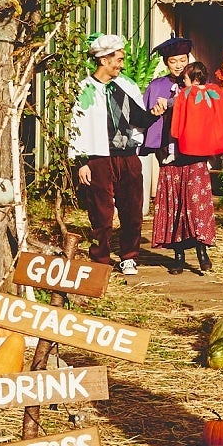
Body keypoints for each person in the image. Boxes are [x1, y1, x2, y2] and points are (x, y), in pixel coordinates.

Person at [143, 37, 223, 273]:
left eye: (182, 60)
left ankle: (202, 251)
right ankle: (178, 256)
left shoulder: (202, 87)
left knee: (197, 203)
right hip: (169, 154)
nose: (178, 65)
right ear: (166, 63)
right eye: (173, 61)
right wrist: (155, 112)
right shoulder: (157, 87)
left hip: (195, 155)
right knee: (174, 204)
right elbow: (146, 117)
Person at [67, 33, 150, 273]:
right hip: (99, 157)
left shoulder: (126, 86)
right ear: (104, 60)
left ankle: (129, 257)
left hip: (127, 155)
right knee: (101, 212)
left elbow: (141, 118)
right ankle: (100, 260)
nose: (121, 65)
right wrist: (82, 161)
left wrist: (157, 112)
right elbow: (77, 125)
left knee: (132, 209)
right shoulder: (85, 89)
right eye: (119, 59)